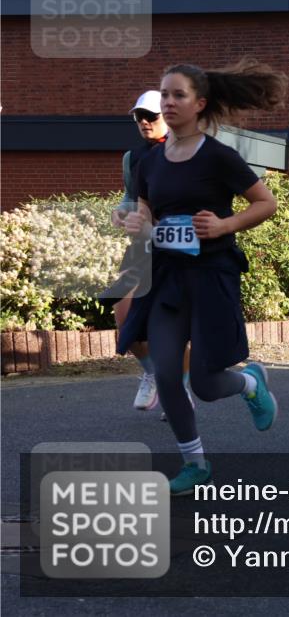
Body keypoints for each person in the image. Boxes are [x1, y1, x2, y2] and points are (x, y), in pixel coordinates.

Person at [118, 59, 286, 495]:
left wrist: (225, 225)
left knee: (208, 384)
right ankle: (195, 463)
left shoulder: (219, 157)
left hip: (211, 274)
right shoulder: (150, 162)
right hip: (168, 277)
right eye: (165, 95)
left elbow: (265, 204)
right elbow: (147, 214)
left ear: (200, 103)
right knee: (170, 374)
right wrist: (140, 225)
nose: (169, 103)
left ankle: (250, 382)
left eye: (178, 95)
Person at [111, 91, 169, 411]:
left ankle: (183, 390)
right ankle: (152, 373)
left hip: (174, 244)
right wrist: (120, 212)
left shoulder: (181, 151)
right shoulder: (132, 157)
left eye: (152, 116)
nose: (145, 123)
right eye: (139, 117)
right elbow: (129, 197)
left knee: (176, 323)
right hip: (141, 245)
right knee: (123, 315)